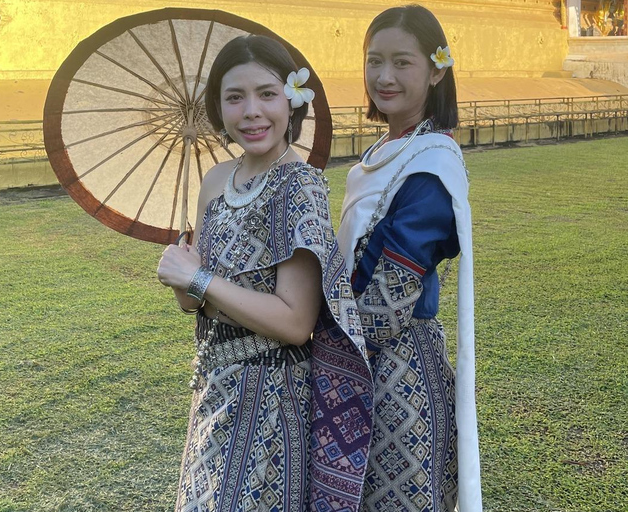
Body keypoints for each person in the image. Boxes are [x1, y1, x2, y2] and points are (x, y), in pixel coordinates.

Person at [156, 35, 366, 511]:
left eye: (267, 94)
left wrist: (200, 280)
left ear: (292, 103)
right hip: (213, 386)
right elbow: (191, 305)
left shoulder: (299, 186)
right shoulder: (214, 180)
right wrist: (181, 271)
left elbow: (295, 323)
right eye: (235, 97)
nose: (251, 111)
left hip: (270, 393)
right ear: (218, 108)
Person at [333, 5, 483, 512]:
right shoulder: (383, 151)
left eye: (402, 62)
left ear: (437, 69)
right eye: (374, 61)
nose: (384, 77)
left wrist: (300, 325)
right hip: (354, 361)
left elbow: (386, 303)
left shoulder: (432, 165)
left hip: (397, 379)